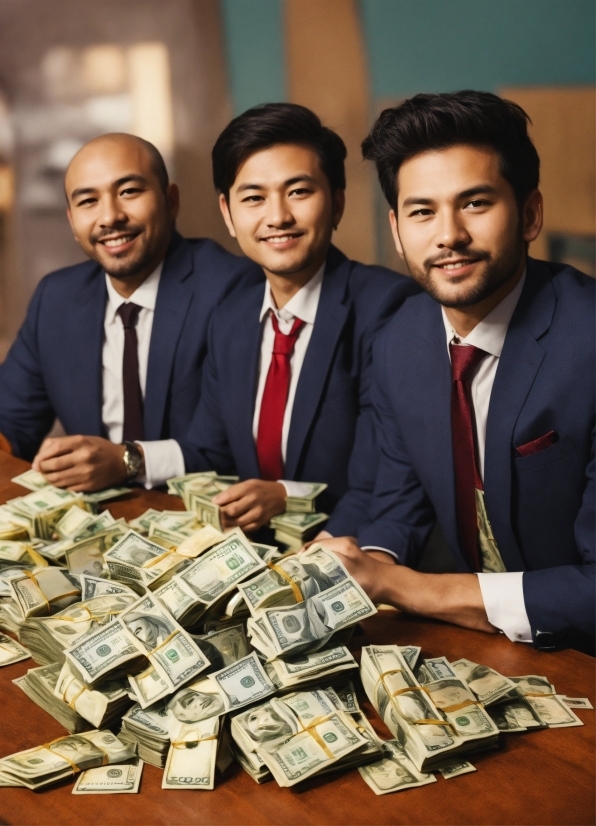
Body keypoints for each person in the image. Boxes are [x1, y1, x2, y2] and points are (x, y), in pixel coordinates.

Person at [311, 91, 595, 652]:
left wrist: (403, 586)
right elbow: (399, 502)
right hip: (498, 648)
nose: (449, 236)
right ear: (396, 230)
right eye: (422, 211)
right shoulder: (401, 340)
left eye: (475, 203)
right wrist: (358, 562)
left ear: (531, 213)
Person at [179, 103, 419, 535]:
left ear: (338, 202)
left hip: (349, 543)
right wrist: (128, 456)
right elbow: (208, 452)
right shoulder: (230, 317)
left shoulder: (389, 309)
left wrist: (289, 497)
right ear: (228, 214)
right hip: (253, 549)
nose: (278, 217)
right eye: (253, 198)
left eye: (299, 192)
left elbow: (387, 476)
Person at [0, 133, 260, 491]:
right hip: (96, 525)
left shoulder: (236, 290)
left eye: (129, 192)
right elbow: (11, 420)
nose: (110, 217)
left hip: (206, 523)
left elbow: (242, 450)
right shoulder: (56, 299)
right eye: (88, 201)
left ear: (171, 201)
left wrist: (127, 460)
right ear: (72, 221)